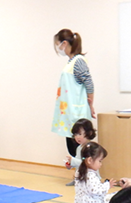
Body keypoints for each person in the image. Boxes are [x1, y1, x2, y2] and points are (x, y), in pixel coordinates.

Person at [51, 29, 95, 158]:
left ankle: (85, 177)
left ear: (64, 43)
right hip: (69, 112)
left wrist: (90, 105)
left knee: (80, 150)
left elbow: (89, 83)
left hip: (76, 114)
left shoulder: (78, 61)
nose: (58, 48)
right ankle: (79, 175)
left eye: (58, 44)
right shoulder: (71, 62)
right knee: (73, 150)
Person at [63, 119, 97, 186]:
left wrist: (73, 161)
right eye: (75, 134)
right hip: (81, 177)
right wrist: (70, 165)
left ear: (89, 133)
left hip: (90, 179)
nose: (77, 137)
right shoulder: (79, 147)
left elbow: (87, 163)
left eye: (80, 134)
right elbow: (77, 161)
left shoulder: (90, 147)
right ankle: (77, 179)